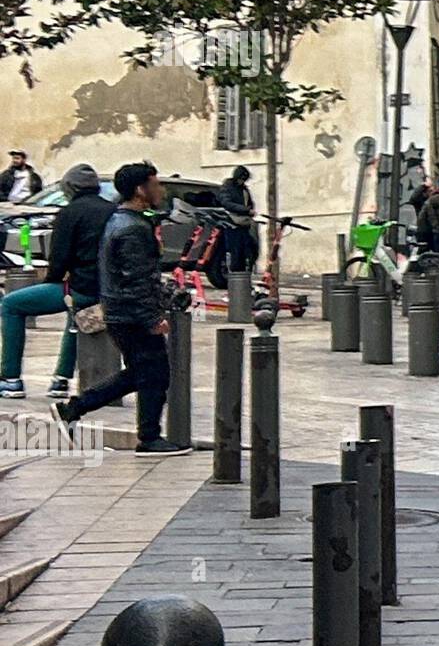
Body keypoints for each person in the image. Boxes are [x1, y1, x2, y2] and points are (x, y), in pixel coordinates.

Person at [50, 162, 190, 456]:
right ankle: (148, 438)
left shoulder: (124, 221)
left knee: (145, 372)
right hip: (130, 314)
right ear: (141, 190)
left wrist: (166, 297)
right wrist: (152, 317)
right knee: (153, 373)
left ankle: (76, 409)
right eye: (156, 184)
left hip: (121, 312)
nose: (161, 190)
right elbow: (135, 279)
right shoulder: (131, 228)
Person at [0, 164, 114, 400]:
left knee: (11, 305)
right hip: (108, 289)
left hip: (80, 285)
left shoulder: (69, 213)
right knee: (75, 316)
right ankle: (60, 381)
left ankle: (11, 380)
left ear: (70, 188)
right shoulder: (113, 210)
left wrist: (54, 278)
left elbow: (59, 257)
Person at [217, 165, 256, 273]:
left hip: (244, 223)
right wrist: (245, 210)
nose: (242, 182)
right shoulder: (228, 188)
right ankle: (236, 275)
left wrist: (249, 210)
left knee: (247, 250)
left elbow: (249, 202)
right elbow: (226, 203)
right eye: (241, 179)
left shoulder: (244, 189)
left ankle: (245, 271)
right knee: (235, 251)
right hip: (232, 223)